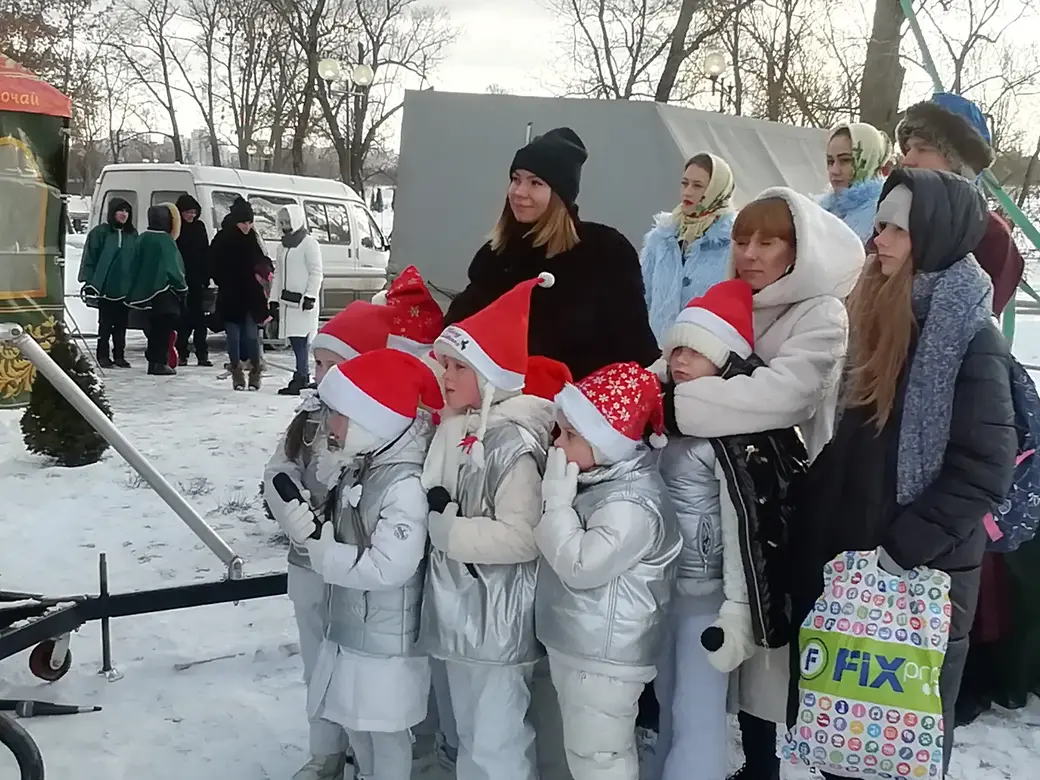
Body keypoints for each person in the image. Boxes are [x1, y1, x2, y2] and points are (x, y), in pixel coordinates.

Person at [789, 168, 1017, 778]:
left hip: (920, 571)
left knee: (899, 743)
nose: (878, 240)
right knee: (847, 732)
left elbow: (984, 468)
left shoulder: (968, 335)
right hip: (855, 555)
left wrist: (900, 549)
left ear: (936, 234)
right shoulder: (875, 311)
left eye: (895, 228)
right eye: (879, 225)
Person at [657, 189, 864, 780]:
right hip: (709, 504)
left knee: (764, 648)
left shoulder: (821, 312)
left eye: (768, 241)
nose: (749, 253)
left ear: (800, 250)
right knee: (703, 657)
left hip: (775, 502)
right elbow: (669, 362)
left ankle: (761, 765)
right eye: (743, 240)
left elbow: (783, 396)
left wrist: (678, 407)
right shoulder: (726, 302)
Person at [646, 280, 809, 780]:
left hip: (709, 594)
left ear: (726, 357)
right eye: (676, 348)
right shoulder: (664, 414)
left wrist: (740, 610)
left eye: (696, 350)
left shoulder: (736, 434)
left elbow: (749, 528)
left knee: (698, 707)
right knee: (666, 698)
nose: (680, 359)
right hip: (662, 585)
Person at [277, 349, 442, 780]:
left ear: (374, 419)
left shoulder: (403, 485)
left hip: (388, 641)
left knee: (385, 735)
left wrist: (326, 556)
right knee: (359, 729)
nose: (330, 426)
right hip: (354, 628)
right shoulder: (360, 469)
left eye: (340, 416)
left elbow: (392, 567)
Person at [418, 274, 558, 780]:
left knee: (495, 740)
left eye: (459, 366)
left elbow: (523, 535)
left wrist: (451, 535)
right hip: (463, 612)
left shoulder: (509, 444)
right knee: (474, 736)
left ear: (493, 377)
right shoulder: (458, 430)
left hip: (495, 619)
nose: (446, 375)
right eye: (445, 364)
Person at [263, 302, 396, 780]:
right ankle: (325, 751)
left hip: (356, 568)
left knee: (356, 667)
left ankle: (365, 749)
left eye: (327, 364)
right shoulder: (310, 417)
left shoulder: (379, 428)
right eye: (316, 362)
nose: (316, 373)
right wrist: (290, 506)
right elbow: (279, 469)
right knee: (317, 660)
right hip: (307, 564)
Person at [534, 361, 680, 780]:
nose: (558, 445)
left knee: (600, 758)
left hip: (605, 657)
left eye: (571, 435)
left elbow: (581, 566)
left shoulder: (631, 504)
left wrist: (556, 506)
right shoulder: (602, 484)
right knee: (584, 754)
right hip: (585, 645)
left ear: (608, 443)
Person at [443, 127, 658, 381]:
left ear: (560, 195)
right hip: (493, 406)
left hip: (574, 409)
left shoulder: (605, 253)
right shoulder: (496, 255)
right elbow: (459, 326)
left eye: (535, 183)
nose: (519, 192)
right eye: (516, 178)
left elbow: (635, 349)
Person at [897, 93, 1025, 315]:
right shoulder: (895, 217)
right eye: (907, 148)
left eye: (922, 148)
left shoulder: (991, 236)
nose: (907, 159)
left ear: (960, 162)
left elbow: (973, 327)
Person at [640, 153, 736, 340]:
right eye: (684, 183)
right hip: (657, 351)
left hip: (705, 353)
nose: (687, 192)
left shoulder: (732, 242)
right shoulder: (661, 238)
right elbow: (643, 298)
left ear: (717, 190)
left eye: (697, 186)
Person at [211, 197, 273, 390]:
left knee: (251, 336)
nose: (247, 226)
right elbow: (211, 263)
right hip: (231, 296)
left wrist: (263, 270)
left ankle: (255, 373)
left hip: (250, 296)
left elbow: (263, 259)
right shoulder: (222, 239)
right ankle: (237, 374)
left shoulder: (253, 238)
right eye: (243, 223)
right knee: (234, 337)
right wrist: (223, 281)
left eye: (249, 222)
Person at [125, 203, 188, 377]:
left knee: (152, 329)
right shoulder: (165, 241)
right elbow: (173, 268)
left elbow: (133, 264)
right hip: (164, 291)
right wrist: (182, 288)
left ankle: (153, 361)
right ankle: (159, 363)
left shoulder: (143, 237)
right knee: (163, 329)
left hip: (144, 292)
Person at [271, 205, 324, 395]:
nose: (285, 226)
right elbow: (278, 274)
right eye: (282, 222)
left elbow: (316, 272)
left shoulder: (309, 244)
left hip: (303, 303)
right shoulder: (282, 246)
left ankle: (302, 375)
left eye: (288, 221)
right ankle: (301, 374)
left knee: (301, 339)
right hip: (287, 302)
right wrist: (273, 299)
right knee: (294, 339)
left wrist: (310, 295)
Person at [80, 197, 136, 368]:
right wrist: (89, 281)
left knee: (121, 324)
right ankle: (102, 355)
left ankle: (119, 355)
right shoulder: (100, 233)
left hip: (125, 287)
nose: (124, 214)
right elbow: (90, 257)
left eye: (127, 211)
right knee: (105, 324)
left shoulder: (132, 235)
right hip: (105, 287)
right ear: (113, 212)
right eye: (121, 210)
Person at [817, 122, 888, 242]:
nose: (834, 170)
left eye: (845, 160)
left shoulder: (883, 215)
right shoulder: (823, 209)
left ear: (869, 159)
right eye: (830, 161)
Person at [174, 194, 213, 367]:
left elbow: (205, 251)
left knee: (199, 320)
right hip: (180, 279)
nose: (191, 216)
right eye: (188, 212)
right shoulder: (175, 228)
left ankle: (202, 353)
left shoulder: (199, 227)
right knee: (182, 320)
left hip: (196, 279)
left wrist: (206, 276)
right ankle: (181, 353)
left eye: (194, 212)